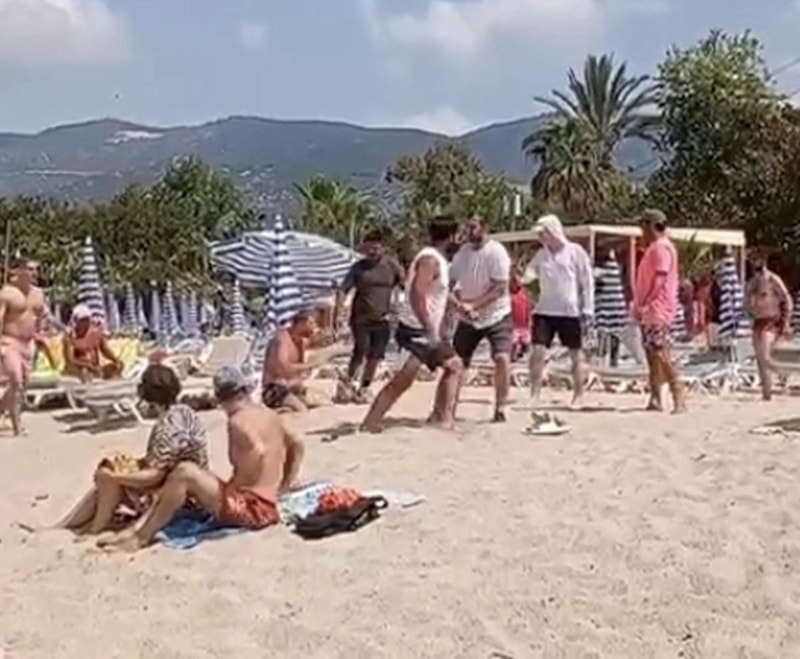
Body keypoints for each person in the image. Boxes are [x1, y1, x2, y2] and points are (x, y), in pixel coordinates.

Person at [100, 365, 305, 552]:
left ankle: (140, 539)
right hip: (268, 503)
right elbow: (297, 442)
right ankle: (136, 529)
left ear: (220, 398)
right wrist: (284, 483)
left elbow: (257, 450)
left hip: (252, 508)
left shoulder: (237, 421)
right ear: (245, 389)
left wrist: (240, 485)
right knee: (183, 475)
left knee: (184, 473)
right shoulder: (268, 414)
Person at [55, 364, 210, 535]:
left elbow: (154, 476)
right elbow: (167, 462)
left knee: (109, 479)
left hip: (176, 500)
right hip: (195, 493)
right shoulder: (186, 413)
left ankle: (94, 529)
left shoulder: (167, 427)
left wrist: (114, 477)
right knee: (112, 469)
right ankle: (68, 525)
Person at [361, 216, 466, 433]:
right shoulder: (430, 261)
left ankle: (440, 417)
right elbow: (417, 294)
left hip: (419, 329)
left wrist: (458, 305)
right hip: (416, 330)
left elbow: (437, 291)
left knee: (441, 370)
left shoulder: (437, 260)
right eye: (458, 235)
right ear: (451, 236)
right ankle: (442, 418)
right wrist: (429, 327)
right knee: (447, 368)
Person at [522, 215, 594, 408]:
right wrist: (526, 278)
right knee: (537, 352)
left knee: (575, 354)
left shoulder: (575, 252)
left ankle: (578, 395)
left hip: (569, 311)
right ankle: (534, 394)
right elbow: (530, 272)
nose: (540, 237)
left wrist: (588, 308)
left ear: (553, 231)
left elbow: (586, 281)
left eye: (543, 233)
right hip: (544, 310)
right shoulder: (541, 254)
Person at [450, 216, 513, 422]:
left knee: (502, 358)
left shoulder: (497, 252)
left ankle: (501, 407)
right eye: (467, 227)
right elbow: (450, 282)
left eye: (473, 227)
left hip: (496, 315)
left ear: (484, 228)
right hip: (467, 318)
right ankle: (449, 407)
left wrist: (474, 305)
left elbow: (499, 288)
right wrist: (458, 303)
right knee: (456, 363)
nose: (469, 231)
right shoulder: (462, 254)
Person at [335, 229, 404, 403]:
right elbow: (343, 290)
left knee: (376, 355)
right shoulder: (358, 268)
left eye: (376, 248)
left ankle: (364, 387)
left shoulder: (392, 266)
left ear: (383, 248)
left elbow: (406, 284)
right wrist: (339, 312)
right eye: (369, 249)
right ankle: (348, 382)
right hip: (360, 318)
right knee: (361, 349)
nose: (372, 252)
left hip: (382, 318)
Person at [632, 209, 686, 413]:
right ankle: (655, 398)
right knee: (651, 354)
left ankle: (678, 395)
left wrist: (646, 301)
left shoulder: (661, 248)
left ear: (652, 226)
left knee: (661, 352)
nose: (641, 230)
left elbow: (660, 278)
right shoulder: (654, 248)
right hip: (650, 309)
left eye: (643, 226)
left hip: (658, 308)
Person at [0, 256, 51, 435]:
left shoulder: (38, 294)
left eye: (35, 269)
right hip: (10, 341)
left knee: (21, 386)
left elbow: (45, 315)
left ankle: (9, 416)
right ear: (19, 271)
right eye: (30, 269)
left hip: (28, 344)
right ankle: (17, 426)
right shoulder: (7, 293)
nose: (34, 273)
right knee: (16, 379)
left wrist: (47, 331)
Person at [745, 252, 792, 401]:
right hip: (758, 320)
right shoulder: (753, 281)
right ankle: (767, 393)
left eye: (756, 259)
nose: (754, 262)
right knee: (760, 358)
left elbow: (786, 299)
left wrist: (786, 322)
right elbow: (746, 301)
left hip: (772, 320)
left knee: (765, 356)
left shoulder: (773, 279)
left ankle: (783, 373)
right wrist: (750, 310)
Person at [261, 309, 320, 413]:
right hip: (274, 389)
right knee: (301, 410)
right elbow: (282, 367)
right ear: (301, 324)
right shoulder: (282, 339)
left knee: (321, 401)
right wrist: (309, 365)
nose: (314, 327)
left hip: (292, 387)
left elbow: (300, 373)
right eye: (311, 323)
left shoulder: (301, 342)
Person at [63, 304, 123, 382]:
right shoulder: (70, 337)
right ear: (75, 321)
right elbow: (70, 360)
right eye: (82, 320)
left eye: (86, 320)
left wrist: (116, 360)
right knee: (84, 371)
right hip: (78, 369)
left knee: (114, 368)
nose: (85, 323)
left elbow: (105, 350)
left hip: (95, 367)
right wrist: (88, 366)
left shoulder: (96, 333)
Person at [510, 274, 532, 363]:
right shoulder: (509, 295)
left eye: (519, 282)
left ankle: (522, 351)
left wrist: (529, 319)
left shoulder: (523, 295)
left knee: (526, 341)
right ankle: (512, 356)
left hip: (523, 323)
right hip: (513, 323)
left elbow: (527, 307)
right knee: (513, 341)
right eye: (515, 282)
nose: (518, 284)